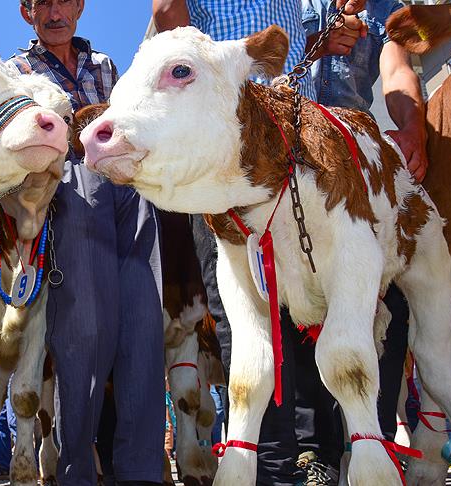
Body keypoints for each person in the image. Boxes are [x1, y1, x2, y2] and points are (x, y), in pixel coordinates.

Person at [151, 1, 366, 485]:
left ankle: (314, 456)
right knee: (245, 308)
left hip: (296, 148)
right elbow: (168, 17)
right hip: (229, 149)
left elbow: (292, 57)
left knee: (309, 304)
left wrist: (319, 46)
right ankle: (269, 460)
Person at [10, 1, 164, 485]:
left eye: (65, 1)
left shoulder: (106, 66)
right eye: (42, 3)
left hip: (128, 184)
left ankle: (140, 470)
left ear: (79, 7)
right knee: (84, 336)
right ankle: (76, 469)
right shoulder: (16, 69)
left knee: (144, 326)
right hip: (69, 190)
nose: (55, 12)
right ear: (26, 11)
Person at [293, 2, 426, 482]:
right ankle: (316, 455)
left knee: (384, 296)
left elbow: (395, 67)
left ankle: (376, 440)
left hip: (358, 154)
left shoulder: (385, 6)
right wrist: (317, 45)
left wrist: (413, 126)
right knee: (301, 304)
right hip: (295, 154)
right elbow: (262, 69)